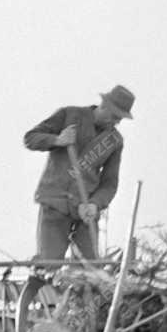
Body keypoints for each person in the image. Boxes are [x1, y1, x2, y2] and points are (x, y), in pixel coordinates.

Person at [24, 85, 134, 259]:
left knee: (90, 272)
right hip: (55, 206)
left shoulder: (115, 141)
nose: (116, 122)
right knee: (47, 267)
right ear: (104, 105)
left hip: (85, 213)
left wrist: (95, 204)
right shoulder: (69, 115)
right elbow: (30, 138)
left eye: (119, 119)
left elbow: (109, 183)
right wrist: (57, 140)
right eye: (114, 116)